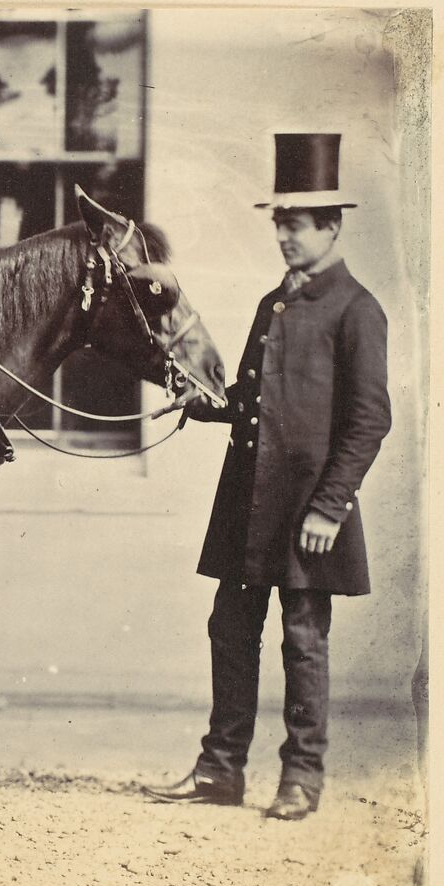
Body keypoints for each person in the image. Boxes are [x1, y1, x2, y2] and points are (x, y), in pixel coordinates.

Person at [144, 133, 391, 820]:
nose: (283, 235)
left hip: (309, 508)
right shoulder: (270, 303)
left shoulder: (357, 310)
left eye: (296, 223)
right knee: (230, 627)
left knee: (304, 639)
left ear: (332, 226)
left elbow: (370, 419)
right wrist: (204, 406)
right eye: (278, 222)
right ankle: (221, 770)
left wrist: (329, 506)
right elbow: (252, 406)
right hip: (249, 503)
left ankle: (302, 778)